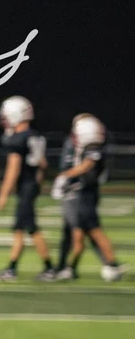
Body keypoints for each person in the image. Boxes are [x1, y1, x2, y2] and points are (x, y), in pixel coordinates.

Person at [51, 115, 127, 282]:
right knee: (84, 232)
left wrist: (65, 176)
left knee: (87, 233)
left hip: (82, 194)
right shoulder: (93, 144)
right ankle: (102, 265)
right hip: (82, 193)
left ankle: (103, 265)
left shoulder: (92, 147)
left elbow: (87, 165)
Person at [0, 96, 54, 282]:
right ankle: (12, 267)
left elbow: (13, 169)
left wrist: (4, 193)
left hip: (25, 186)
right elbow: (43, 164)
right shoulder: (35, 136)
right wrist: (38, 183)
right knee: (20, 228)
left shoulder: (18, 139)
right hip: (32, 185)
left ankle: (48, 268)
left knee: (31, 228)